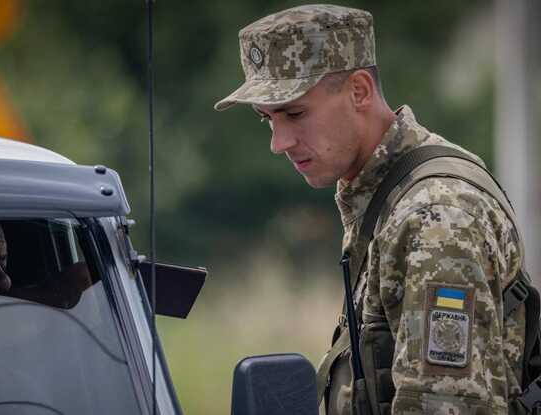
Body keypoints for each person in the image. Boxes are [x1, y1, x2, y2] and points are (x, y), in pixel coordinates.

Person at [215, 4, 528, 415]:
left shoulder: (435, 217)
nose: (279, 142)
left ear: (359, 90)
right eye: (267, 119)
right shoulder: (385, 199)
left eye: (294, 113)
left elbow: (448, 406)